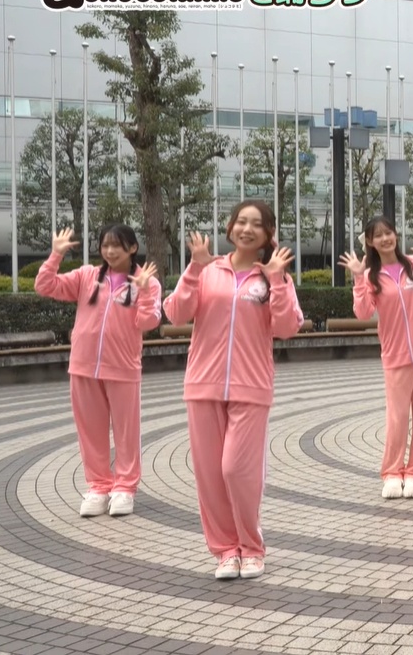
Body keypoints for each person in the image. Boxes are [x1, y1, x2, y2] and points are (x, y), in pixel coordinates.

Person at [164, 200, 303, 579]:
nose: (247, 229)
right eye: (241, 221)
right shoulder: (207, 271)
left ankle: (252, 547)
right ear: (230, 228)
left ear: (268, 234)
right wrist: (194, 268)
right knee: (210, 474)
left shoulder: (273, 277)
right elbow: (175, 313)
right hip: (203, 385)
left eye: (256, 224)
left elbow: (287, 327)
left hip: (251, 386)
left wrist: (277, 280)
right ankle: (226, 550)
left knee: (237, 469)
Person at [35, 225, 162, 517]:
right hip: (83, 366)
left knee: (126, 433)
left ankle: (125, 488)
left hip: (123, 368)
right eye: (105, 245)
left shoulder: (147, 282)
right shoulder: (86, 276)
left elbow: (148, 322)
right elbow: (45, 285)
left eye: (117, 245)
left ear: (132, 248)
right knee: (90, 432)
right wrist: (55, 255)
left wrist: (143, 290)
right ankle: (98, 487)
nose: (110, 251)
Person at [342, 218, 413, 500]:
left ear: (396, 234)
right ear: (370, 242)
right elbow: (363, 313)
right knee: (397, 418)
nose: (385, 238)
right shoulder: (371, 276)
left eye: (388, 232)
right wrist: (358, 278)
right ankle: (391, 473)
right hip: (396, 356)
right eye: (378, 235)